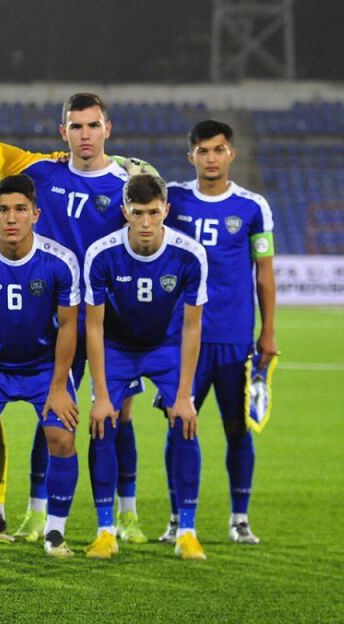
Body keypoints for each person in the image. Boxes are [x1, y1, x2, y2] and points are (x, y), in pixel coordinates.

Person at [18, 93, 150, 544]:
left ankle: (126, 514)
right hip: (55, 318)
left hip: (112, 320)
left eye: (93, 125)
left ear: (107, 129)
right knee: (51, 411)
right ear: (63, 133)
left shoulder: (129, 183)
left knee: (117, 415)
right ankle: (36, 513)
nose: (85, 134)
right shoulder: (42, 174)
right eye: (76, 126)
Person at [159, 120, 277, 545]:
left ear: (232, 154)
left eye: (219, 150)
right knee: (179, 426)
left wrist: (268, 332)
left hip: (233, 338)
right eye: (203, 151)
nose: (211, 158)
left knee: (237, 428)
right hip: (182, 338)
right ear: (191, 155)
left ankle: (239, 518)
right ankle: (177, 518)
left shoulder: (253, 207)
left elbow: (264, 274)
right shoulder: (173, 199)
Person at [0, 175, 81, 558]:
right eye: (3, 210)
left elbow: (69, 326)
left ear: (35, 214)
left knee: (63, 438)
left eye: (20, 209)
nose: (11, 218)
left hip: (44, 368)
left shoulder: (60, 261)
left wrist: (59, 387)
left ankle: (55, 533)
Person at [83, 174, 208, 560]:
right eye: (138, 213)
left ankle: (187, 531)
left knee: (185, 422)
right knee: (103, 424)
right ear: (125, 212)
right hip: (117, 348)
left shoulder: (190, 254)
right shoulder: (101, 254)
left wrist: (184, 395)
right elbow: (94, 326)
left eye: (154, 212)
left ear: (166, 210)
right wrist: (101, 396)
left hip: (165, 347)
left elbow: (192, 326)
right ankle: (106, 531)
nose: (147, 222)